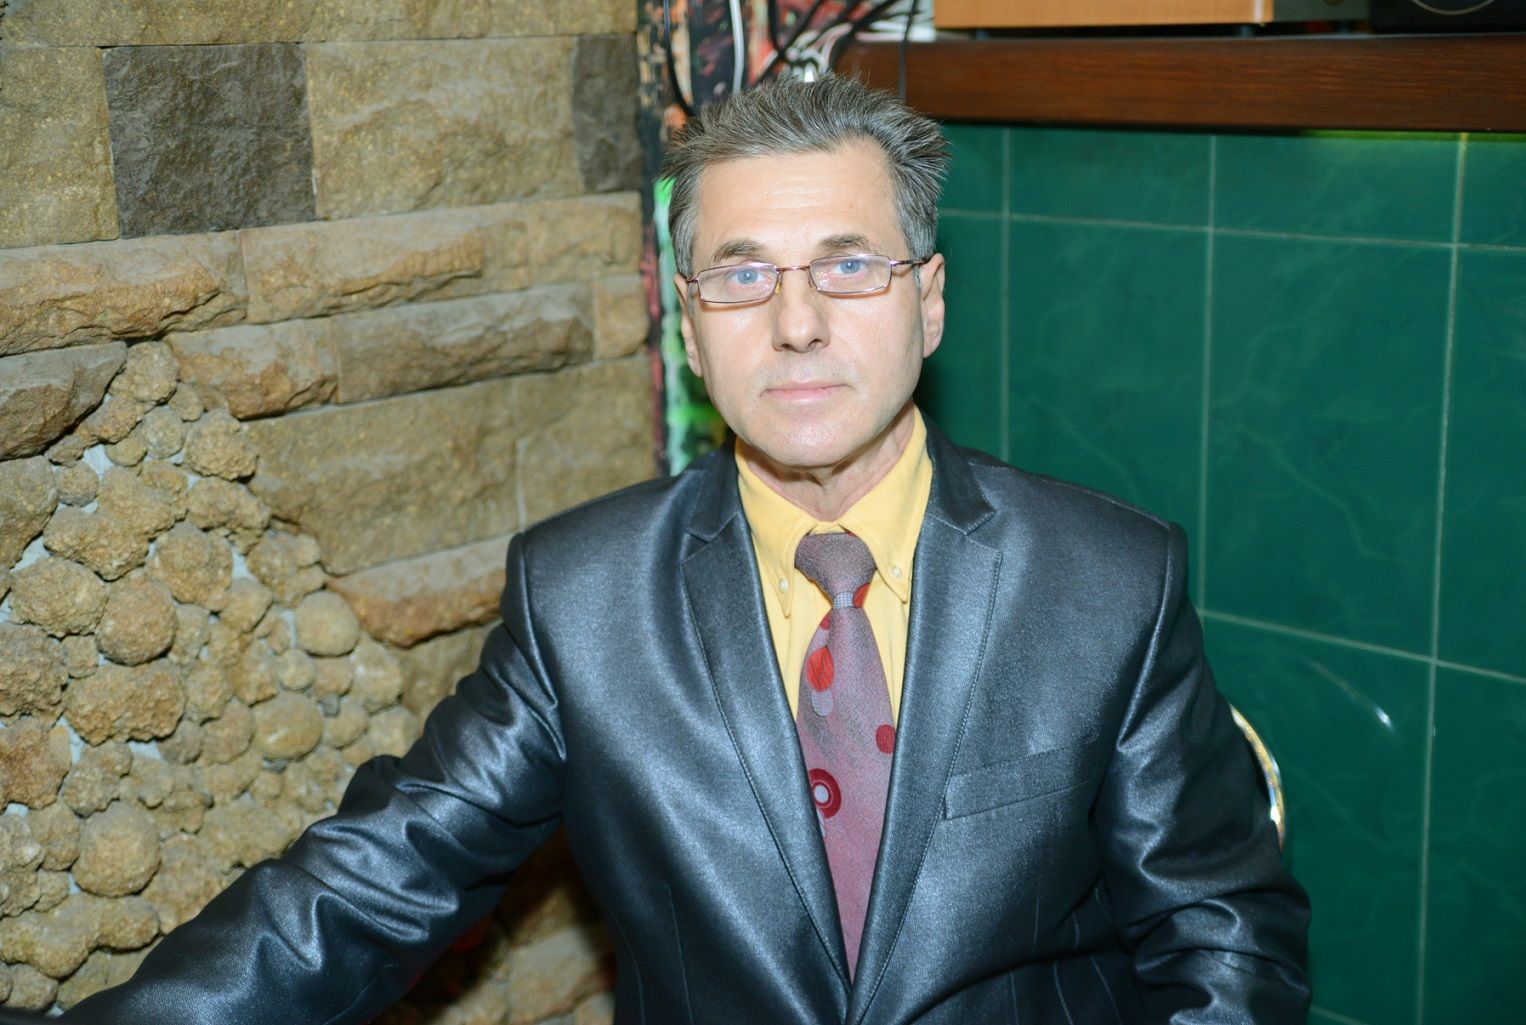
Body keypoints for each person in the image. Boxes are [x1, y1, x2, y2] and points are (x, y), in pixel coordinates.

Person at [67, 75, 1309, 1025]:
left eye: (847, 265)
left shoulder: (1106, 577)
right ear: (691, 328)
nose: (796, 321)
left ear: (927, 301)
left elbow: (1224, 943)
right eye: (740, 275)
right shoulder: (581, 597)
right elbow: (371, 882)